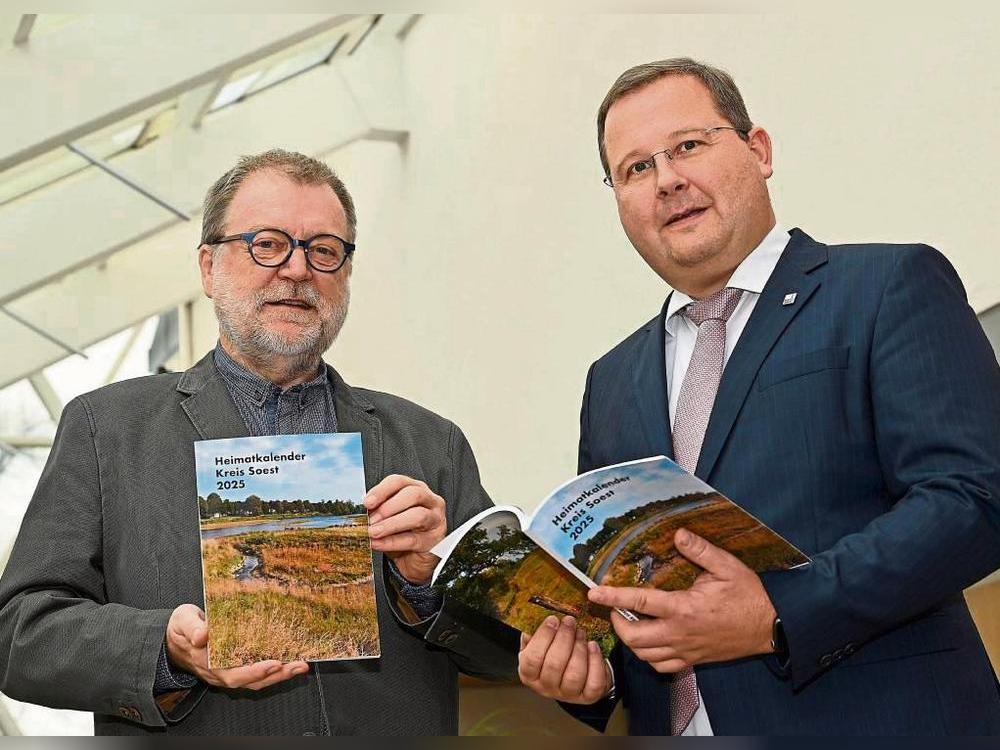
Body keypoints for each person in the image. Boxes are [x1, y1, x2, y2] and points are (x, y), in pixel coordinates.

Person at [517, 58, 1000, 735]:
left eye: (688, 145)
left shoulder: (886, 287)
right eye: (635, 169)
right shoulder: (611, 380)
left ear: (758, 149)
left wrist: (780, 609)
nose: (668, 181)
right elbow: (635, 597)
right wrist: (585, 675)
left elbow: (975, 498)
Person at [0, 149, 516, 735]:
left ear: (345, 273)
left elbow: (511, 648)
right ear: (208, 268)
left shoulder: (432, 445)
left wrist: (428, 583)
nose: (297, 271)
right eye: (267, 244)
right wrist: (164, 649)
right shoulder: (107, 430)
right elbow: (20, 633)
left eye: (323, 250)